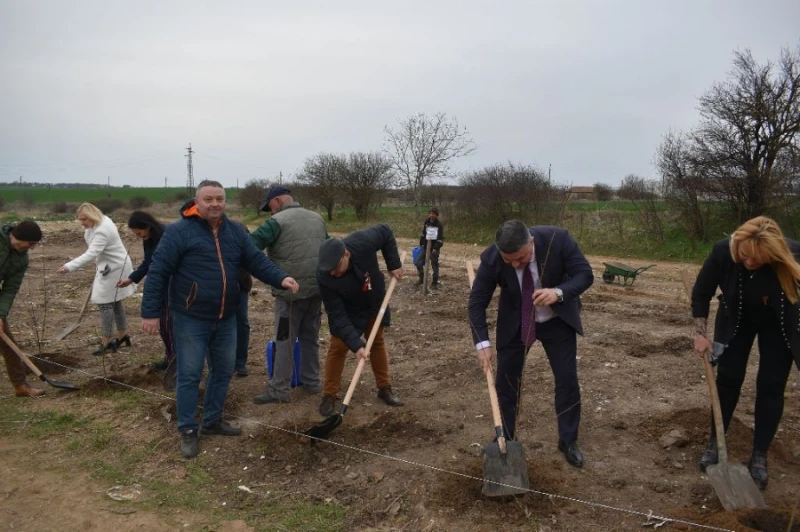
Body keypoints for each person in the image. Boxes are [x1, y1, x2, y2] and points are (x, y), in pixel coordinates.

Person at [140, 180, 298, 459]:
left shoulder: (235, 230)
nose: (215, 204)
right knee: (189, 374)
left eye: (220, 199)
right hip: (190, 318)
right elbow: (158, 271)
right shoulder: (179, 232)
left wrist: (280, 277)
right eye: (209, 199)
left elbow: (255, 260)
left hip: (227, 316)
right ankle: (188, 429)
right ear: (197, 202)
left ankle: (212, 420)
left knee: (223, 371)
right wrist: (150, 312)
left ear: (225, 201)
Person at [468, 220, 593, 468]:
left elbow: (585, 275)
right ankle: (505, 435)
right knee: (506, 381)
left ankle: (568, 440)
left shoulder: (559, 240)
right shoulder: (493, 257)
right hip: (516, 322)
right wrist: (482, 343)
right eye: (509, 259)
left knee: (567, 380)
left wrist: (558, 292)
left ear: (531, 243)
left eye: (521, 258)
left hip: (557, 321)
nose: (515, 264)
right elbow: (476, 303)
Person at [692, 216, 800, 489]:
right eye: (745, 256)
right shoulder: (722, 251)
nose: (750, 263)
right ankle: (715, 444)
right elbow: (701, 292)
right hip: (734, 321)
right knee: (728, 380)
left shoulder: (792, 254)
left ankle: (760, 455)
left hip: (778, 326)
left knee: (772, 386)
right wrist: (700, 334)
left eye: (758, 260)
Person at [250, 186, 328, 405]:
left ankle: (279, 390)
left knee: (284, 341)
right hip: (316, 292)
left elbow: (249, 248)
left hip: (289, 296)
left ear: (277, 201)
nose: (271, 212)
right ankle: (312, 382)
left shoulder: (276, 222)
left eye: (270, 208)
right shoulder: (317, 218)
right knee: (310, 339)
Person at [316, 224, 404, 417]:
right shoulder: (324, 276)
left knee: (377, 341)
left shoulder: (362, 242)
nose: (332, 273)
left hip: (373, 300)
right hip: (348, 310)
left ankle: (384, 388)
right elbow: (337, 315)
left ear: (346, 254)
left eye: (336, 268)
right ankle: (329, 395)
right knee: (338, 347)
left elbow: (386, 231)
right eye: (329, 270)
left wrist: (394, 264)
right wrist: (357, 345)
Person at [57, 203, 136, 356]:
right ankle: (122, 336)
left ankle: (106, 341)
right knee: (115, 301)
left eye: (84, 219)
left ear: (92, 216)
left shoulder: (102, 231)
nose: (82, 223)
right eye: (80, 219)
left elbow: (91, 253)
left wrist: (69, 266)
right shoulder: (101, 221)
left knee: (104, 303)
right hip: (112, 265)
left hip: (114, 268)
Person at [117, 211, 176, 391]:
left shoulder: (167, 235)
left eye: (139, 232)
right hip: (160, 286)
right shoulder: (148, 240)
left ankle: (178, 363)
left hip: (173, 285)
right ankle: (170, 358)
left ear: (147, 225)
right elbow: (149, 262)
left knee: (171, 325)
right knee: (165, 327)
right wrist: (132, 278)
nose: (138, 236)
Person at [0, 221, 46, 397]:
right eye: (31, 244)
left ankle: (20, 385)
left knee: (7, 342)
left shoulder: (22, 259)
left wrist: (0, 314)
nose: (31, 248)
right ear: (19, 237)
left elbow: (10, 288)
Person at [414, 207, 444, 288]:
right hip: (425, 247)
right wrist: (421, 242)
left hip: (434, 249)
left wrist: (435, 248)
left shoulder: (439, 225)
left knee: (434, 265)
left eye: (433, 214)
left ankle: (434, 283)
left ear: (436, 215)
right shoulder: (426, 222)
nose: (431, 215)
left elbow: (440, 239)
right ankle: (422, 278)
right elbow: (424, 233)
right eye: (430, 213)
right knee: (418, 262)